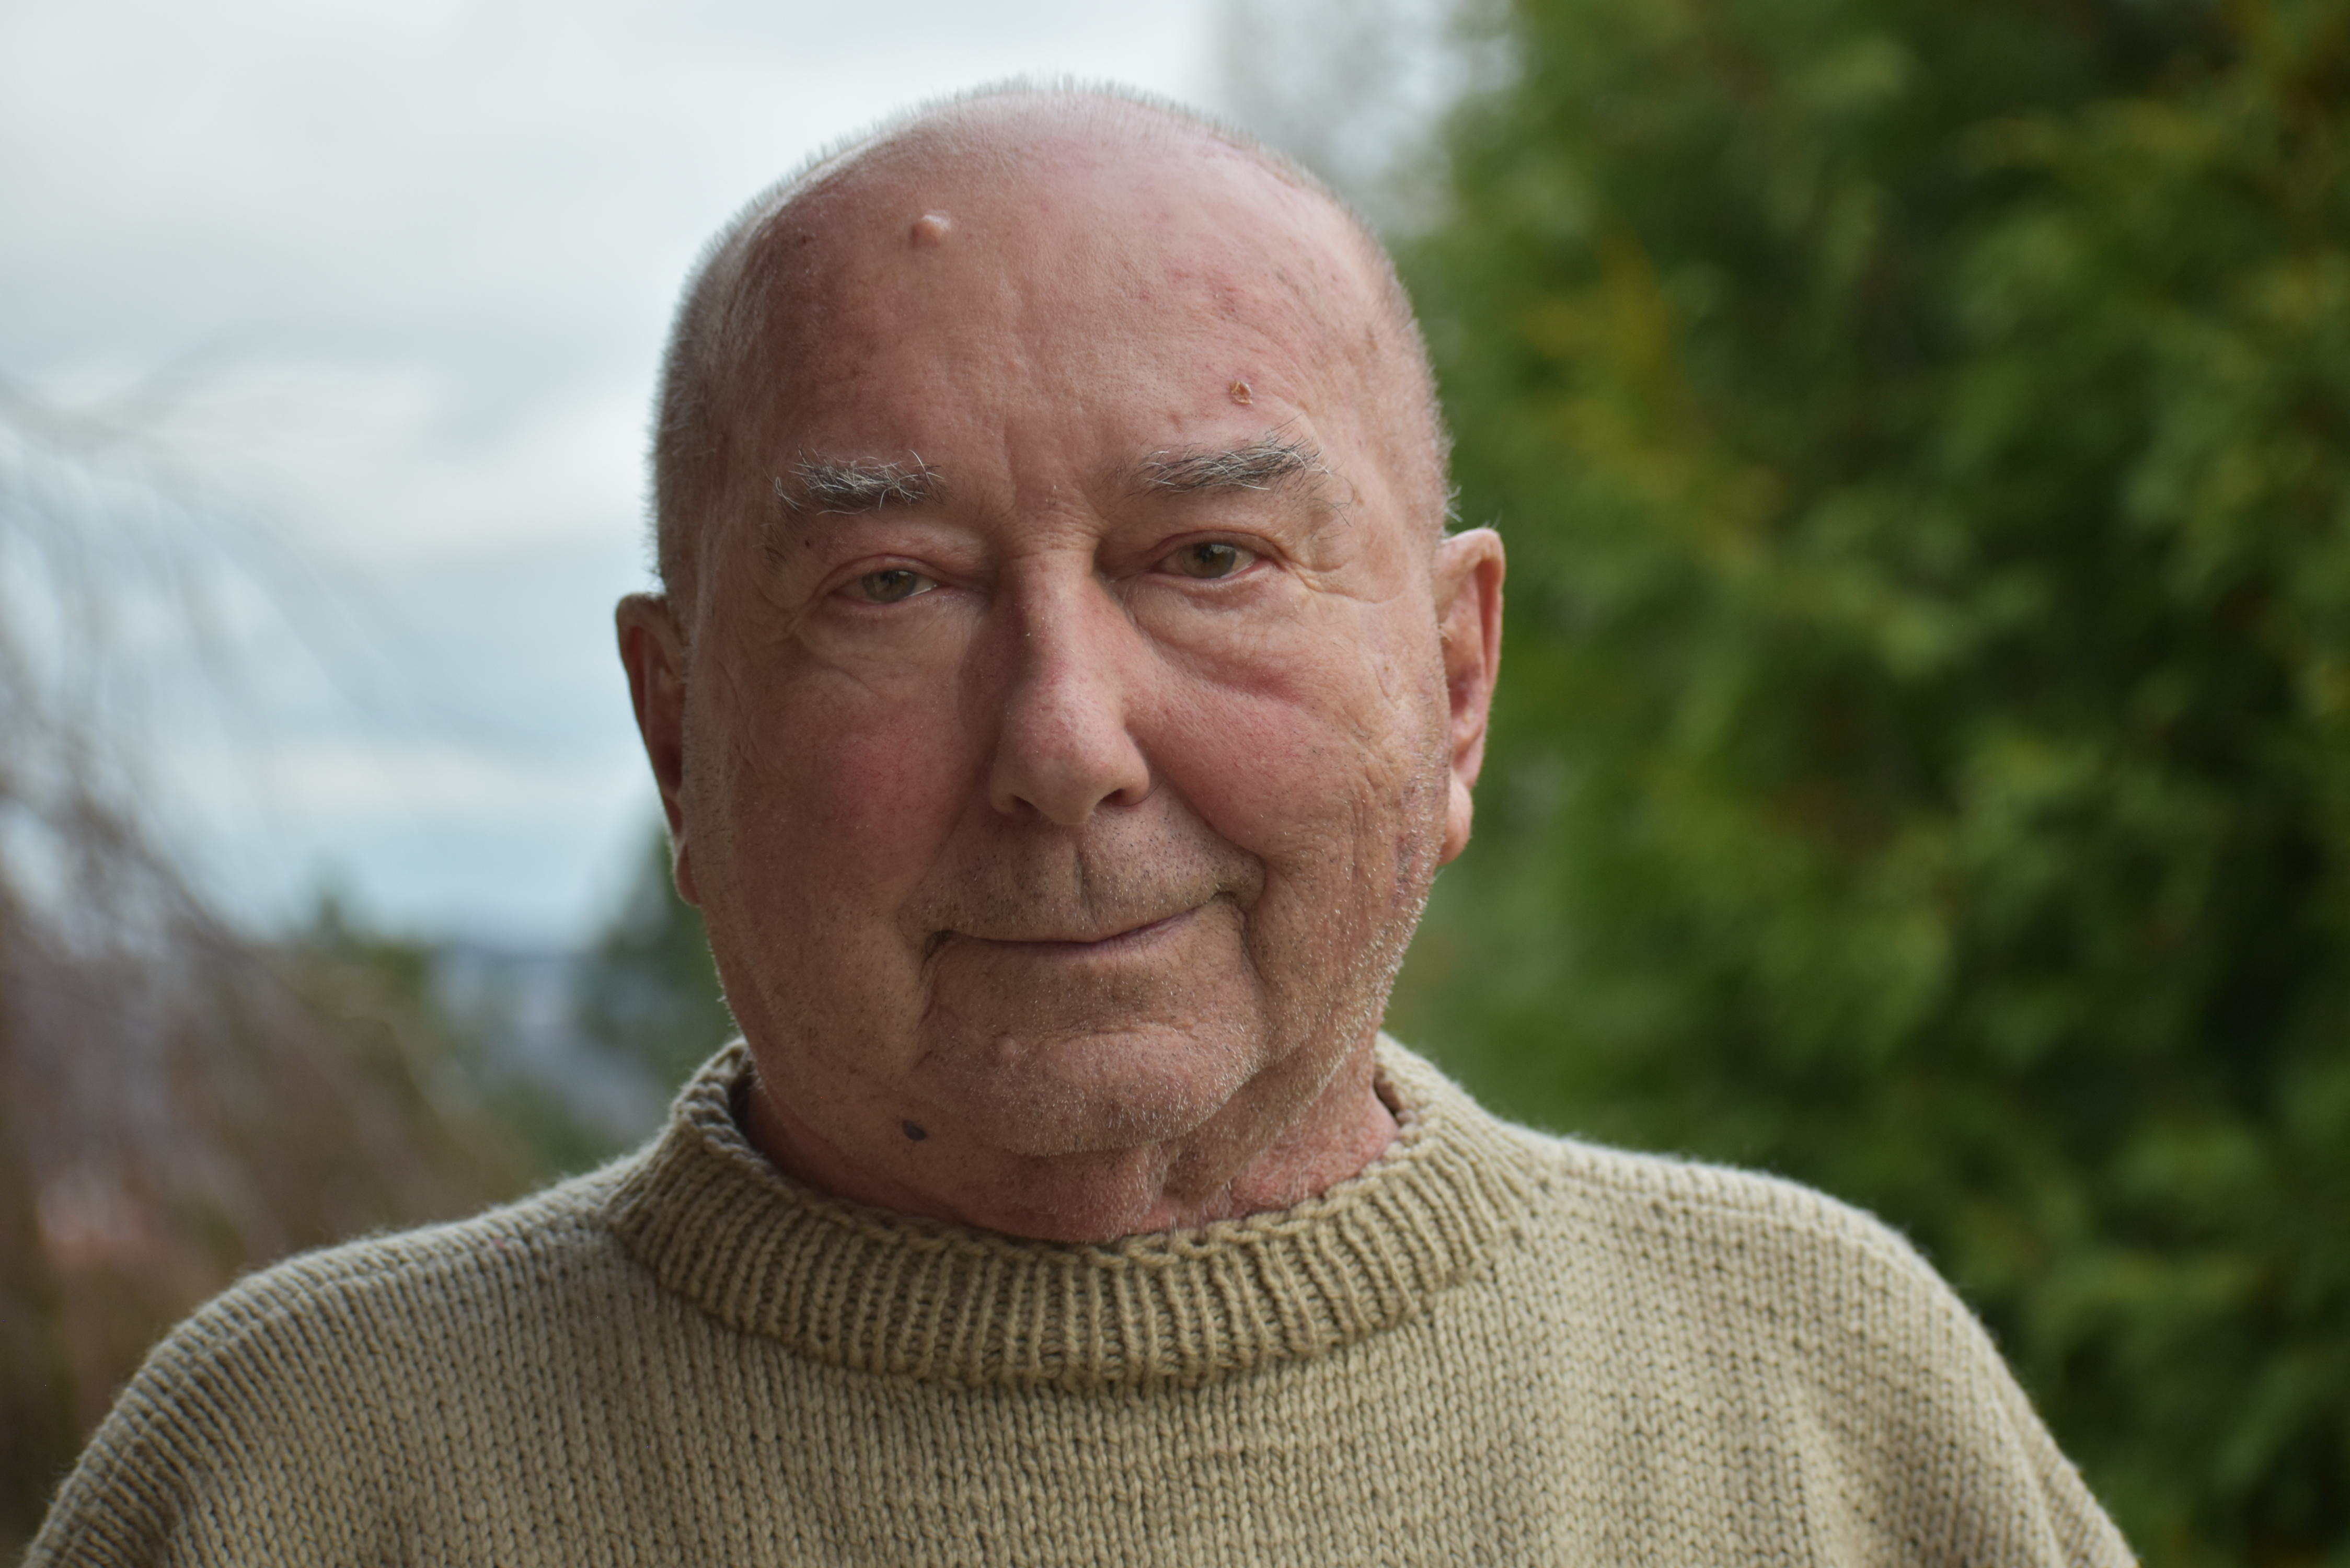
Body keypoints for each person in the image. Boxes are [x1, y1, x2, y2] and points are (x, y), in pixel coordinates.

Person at [30, 86, 2135, 1566]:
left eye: (1208, 560)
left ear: (1456, 678)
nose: (1062, 739)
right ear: (680, 738)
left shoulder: (1822, 1418)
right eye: (893, 588)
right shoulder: (298, 1483)